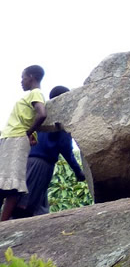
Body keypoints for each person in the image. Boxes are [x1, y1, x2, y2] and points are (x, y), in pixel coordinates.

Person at [13, 86, 84, 218]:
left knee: (30, 201)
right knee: (26, 204)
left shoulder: (42, 113)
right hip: (41, 162)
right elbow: (65, 148)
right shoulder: (61, 117)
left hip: (29, 159)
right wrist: (77, 170)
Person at [0, 66, 47, 221]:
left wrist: (28, 132)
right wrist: (31, 133)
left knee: (12, 182)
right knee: (6, 179)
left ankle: (3, 223)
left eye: (23, 77)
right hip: (11, 138)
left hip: (15, 138)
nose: (21, 81)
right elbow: (29, 117)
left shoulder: (36, 93)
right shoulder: (32, 95)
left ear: (31, 76)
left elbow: (42, 114)